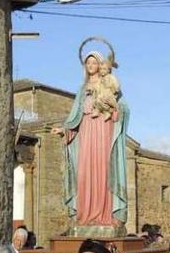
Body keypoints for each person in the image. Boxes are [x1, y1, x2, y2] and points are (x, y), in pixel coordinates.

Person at [51, 48, 130, 230]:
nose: (92, 66)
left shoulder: (109, 83)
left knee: (104, 169)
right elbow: (75, 117)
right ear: (85, 66)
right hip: (87, 130)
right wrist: (64, 130)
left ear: (100, 65)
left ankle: (108, 213)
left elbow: (123, 108)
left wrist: (114, 111)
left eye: (95, 62)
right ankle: (86, 214)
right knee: (86, 170)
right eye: (88, 63)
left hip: (104, 129)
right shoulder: (82, 89)